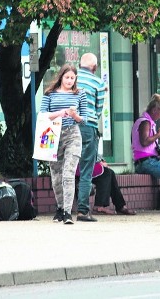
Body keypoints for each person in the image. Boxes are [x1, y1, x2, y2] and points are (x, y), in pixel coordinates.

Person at [40, 64, 88, 225]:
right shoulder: (49, 94)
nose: (69, 80)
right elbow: (43, 115)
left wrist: (75, 115)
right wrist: (60, 113)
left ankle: (68, 212)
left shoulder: (80, 94)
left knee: (68, 173)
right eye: (66, 77)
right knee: (56, 176)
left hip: (72, 134)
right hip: (53, 134)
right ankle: (60, 208)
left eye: (72, 78)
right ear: (61, 77)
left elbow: (85, 119)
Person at [76, 53, 106, 222]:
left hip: (68, 126)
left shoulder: (70, 78)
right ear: (94, 68)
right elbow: (98, 110)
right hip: (88, 127)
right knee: (86, 171)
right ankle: (82, 211)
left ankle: (63, 210)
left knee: (66, 169)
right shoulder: (98, 83)